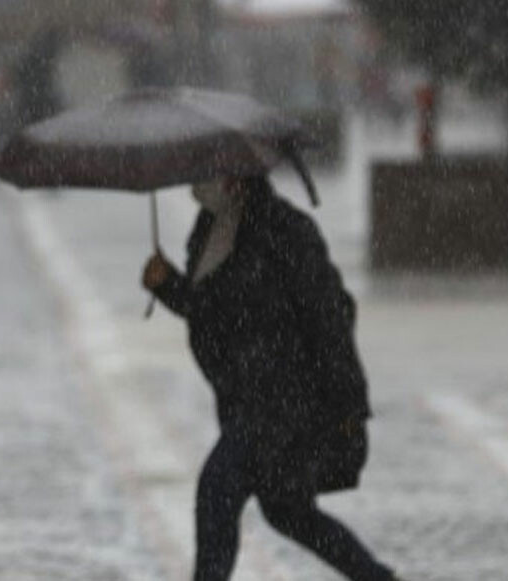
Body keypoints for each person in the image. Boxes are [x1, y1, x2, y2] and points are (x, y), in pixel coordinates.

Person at [141, 175, 399, 581]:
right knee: (287, 511)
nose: (198, 181)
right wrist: (168, 285)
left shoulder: (286, 230)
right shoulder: (209, 228)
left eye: (211, 169)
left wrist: (348, 405)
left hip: (286, 399)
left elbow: (329, 317)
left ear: (237, 176)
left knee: (217, 492)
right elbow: (212, 313)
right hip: (243, 396)